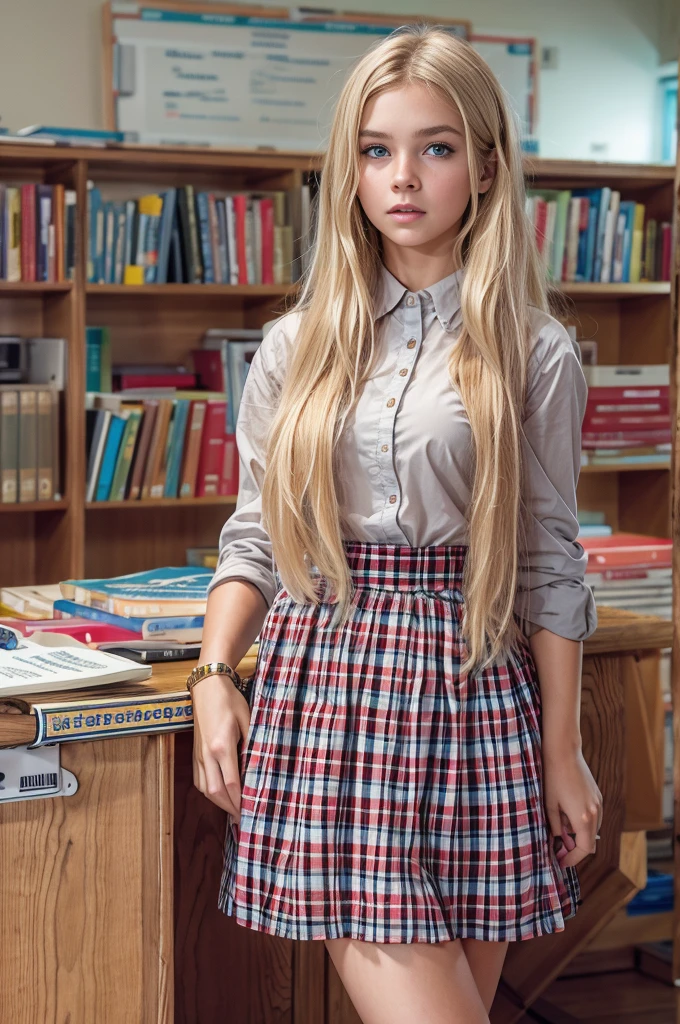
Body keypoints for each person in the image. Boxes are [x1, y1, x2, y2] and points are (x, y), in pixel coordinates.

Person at [188, 23, 603, 1024]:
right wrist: (213, 677)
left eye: (436, 146)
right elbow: (254, 538)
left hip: (474, 693)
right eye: (376, 150)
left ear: (486, 165)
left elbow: (549, 559)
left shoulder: (532, 352)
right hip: (335, 689)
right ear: (350, 170)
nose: (402, 177)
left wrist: (559, 748)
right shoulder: (296, 343)